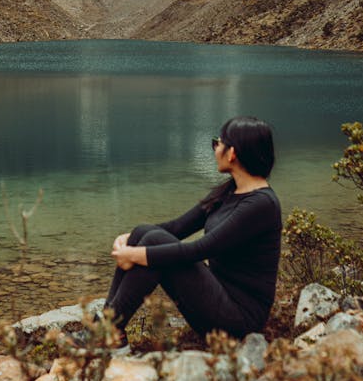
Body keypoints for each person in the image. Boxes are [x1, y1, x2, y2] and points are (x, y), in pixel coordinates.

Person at [104, 116, 281, 346]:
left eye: (217, 143)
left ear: (232, 153)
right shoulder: (228, 192)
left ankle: (106, 331)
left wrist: (134, 255)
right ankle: (108, 328)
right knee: (144, 232)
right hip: (218, 298)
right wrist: (127, 239)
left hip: (239, 320)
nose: (215, 148)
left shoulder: (261, 205)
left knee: (154, 241)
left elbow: (199, 249)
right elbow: (178, 227)